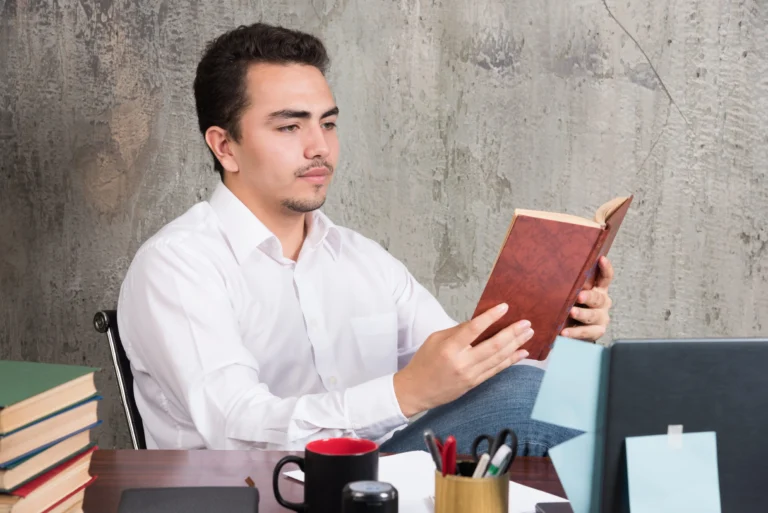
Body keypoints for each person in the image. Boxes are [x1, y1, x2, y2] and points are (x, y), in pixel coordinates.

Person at [117, 22, 614, 454]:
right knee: (527, 398)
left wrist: (557, 332)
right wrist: (405, 394)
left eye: (327, 123)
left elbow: (472, 375)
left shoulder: (360, 259)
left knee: (565, 389)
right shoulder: (177, 264)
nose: (319, 147)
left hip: (378, 485)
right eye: (290, 126)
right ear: (225, 146)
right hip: (252, 493)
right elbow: (236, 428)